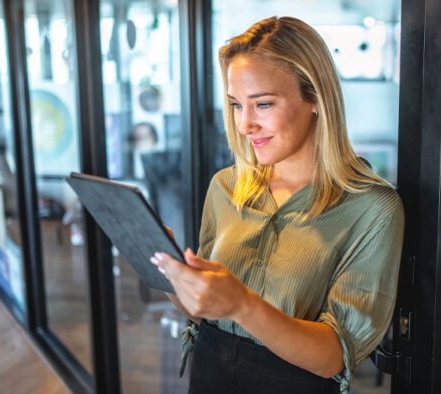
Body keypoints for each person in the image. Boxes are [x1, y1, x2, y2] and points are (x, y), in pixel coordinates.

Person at [150, 16, 404, 394]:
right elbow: (202, 313)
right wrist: (166, 272)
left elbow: (337, 354)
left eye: (263, 104)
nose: (244, 124)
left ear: (315, 99)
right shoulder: (226, 187)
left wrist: (242, 305)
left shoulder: (371, 209)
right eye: (237, 105)